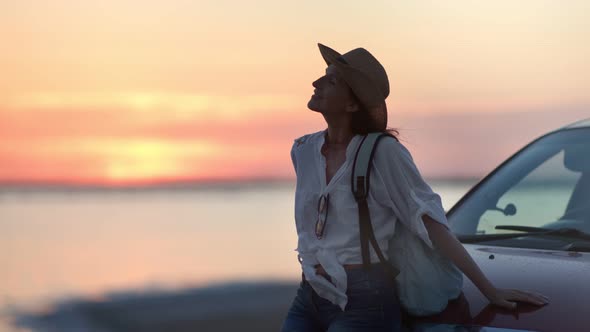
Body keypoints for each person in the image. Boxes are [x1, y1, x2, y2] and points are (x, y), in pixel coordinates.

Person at [280, 43, 550, 332]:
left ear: (351, 104)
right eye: (323, 75)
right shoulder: (303, 151)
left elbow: (430, 221)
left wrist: (488, 289)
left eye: (331, 80)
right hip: (309, 292)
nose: (316, 83)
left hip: (364, 298)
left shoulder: (383, 154)